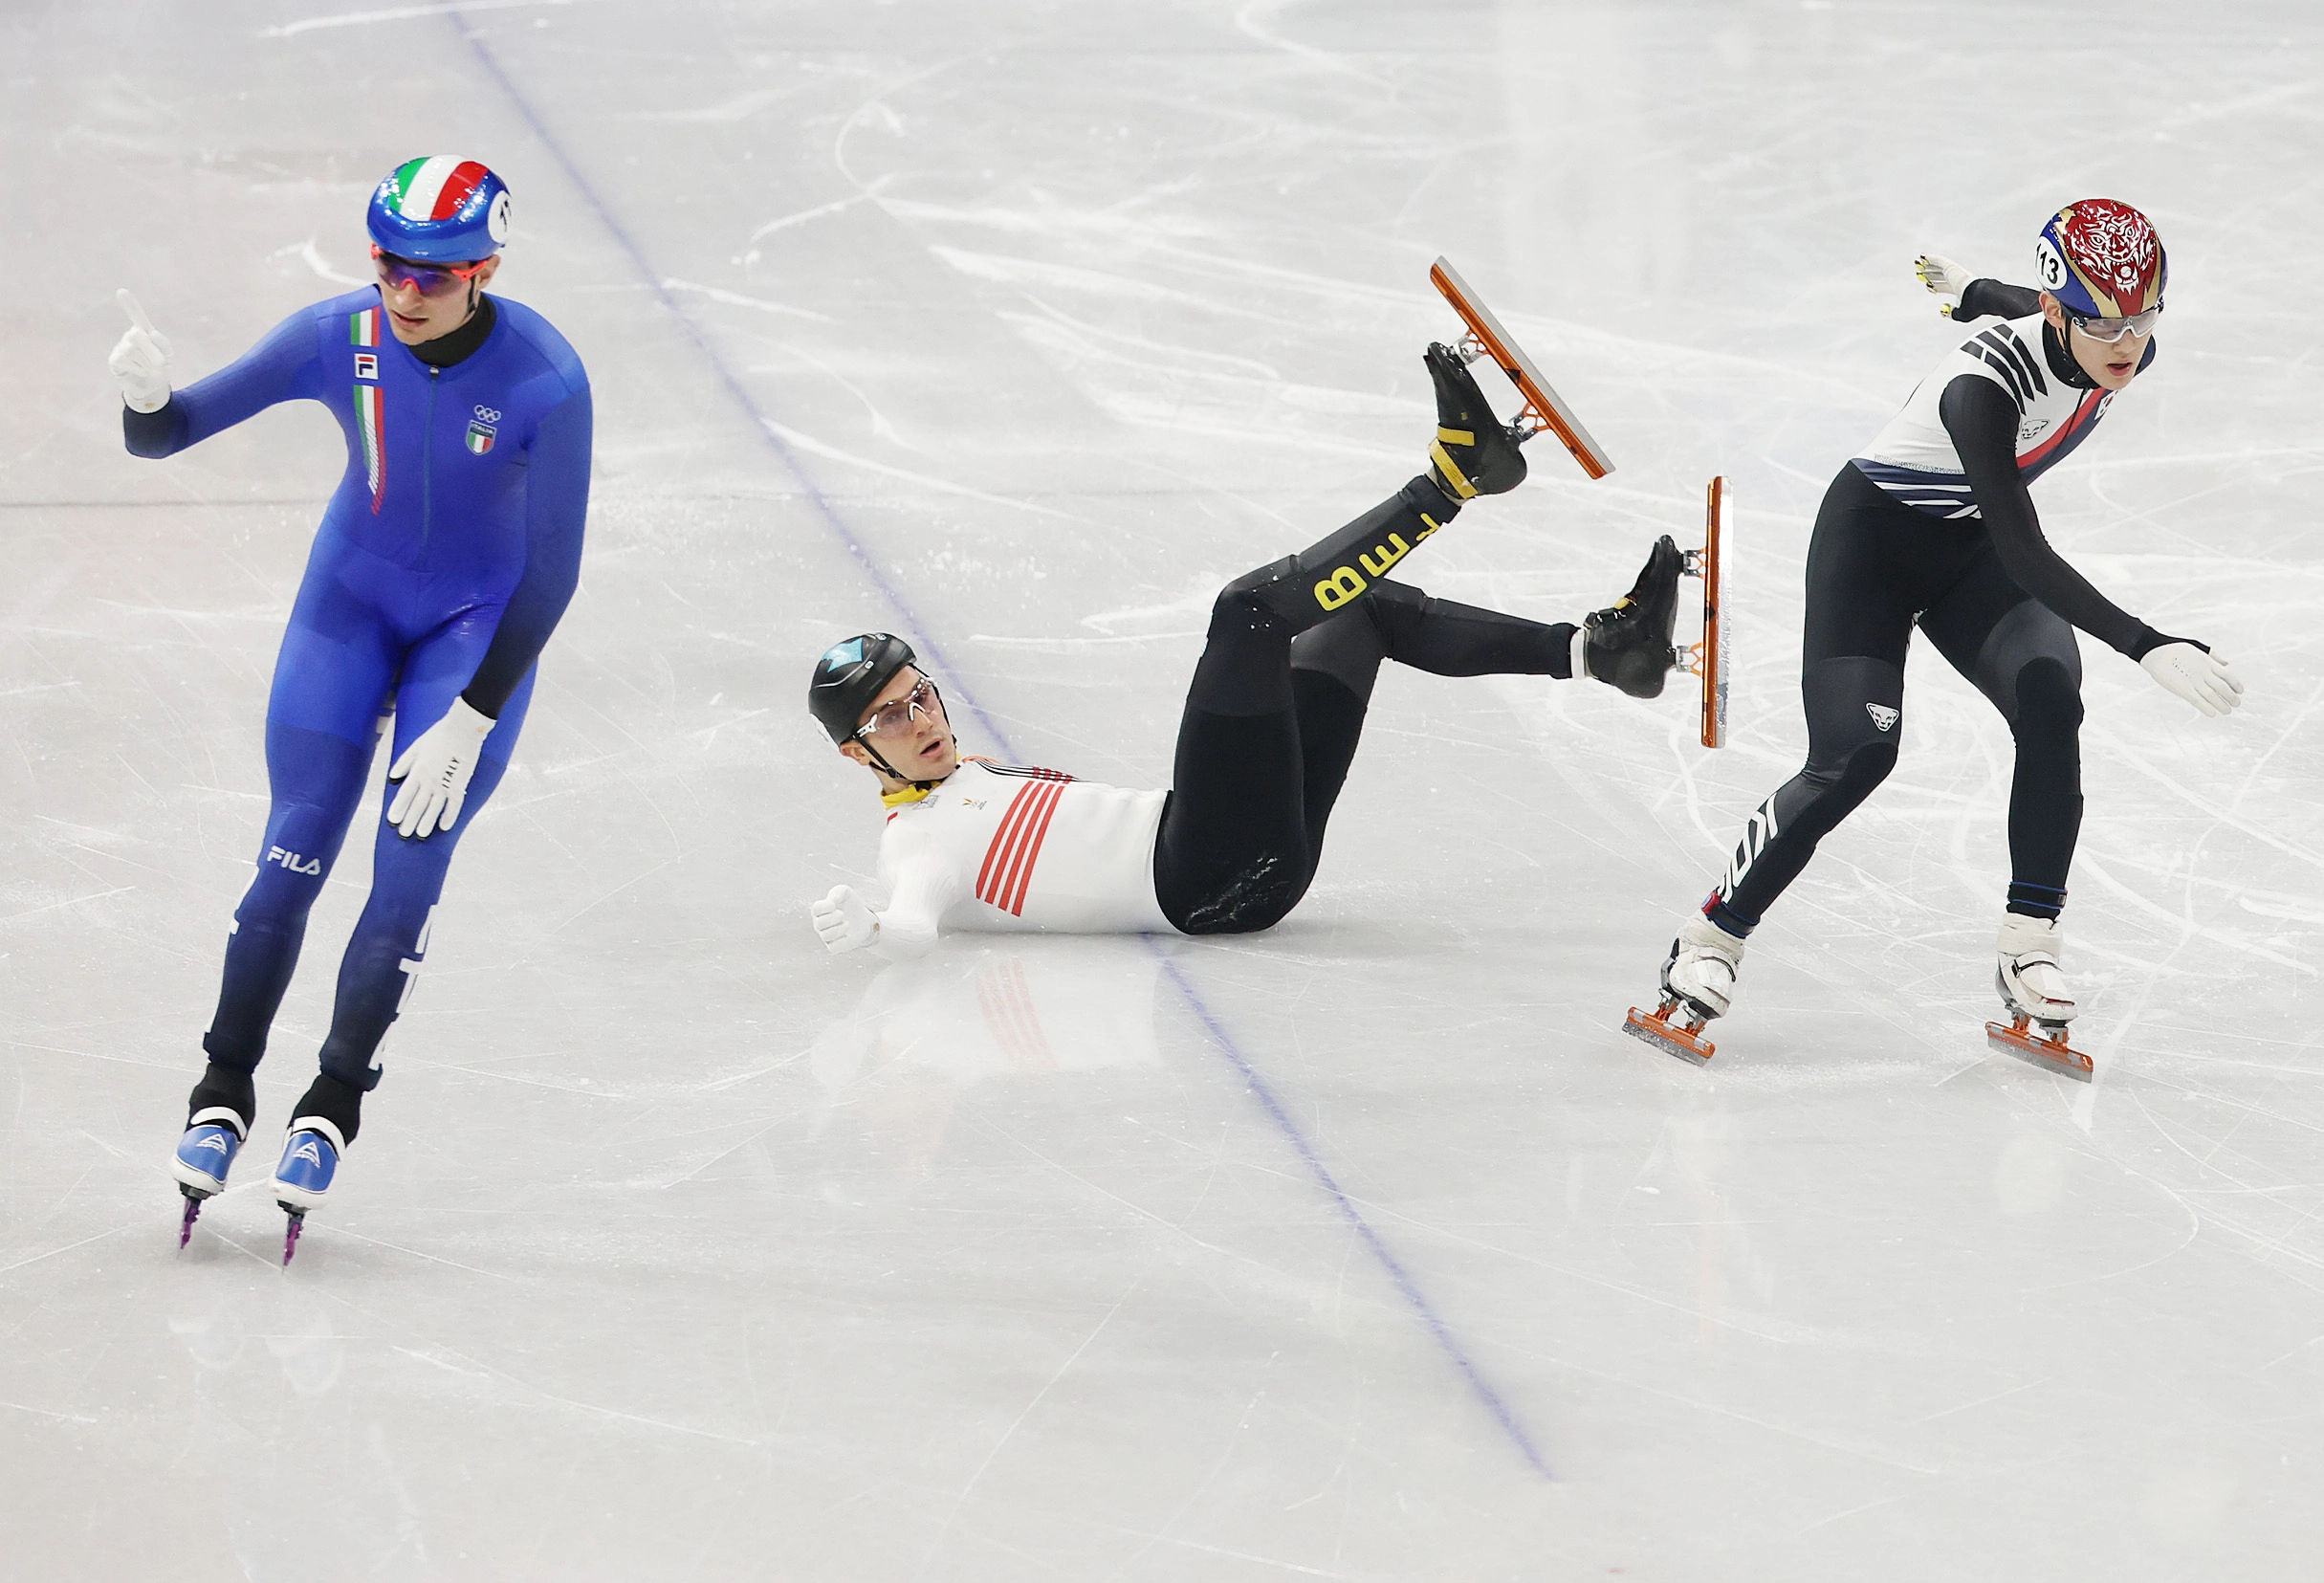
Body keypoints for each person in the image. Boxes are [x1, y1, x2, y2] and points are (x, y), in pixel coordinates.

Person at [807, 345, 1683, 955]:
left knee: (1361, 615)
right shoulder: (916, 841)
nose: (919, 718)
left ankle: (1605, 656)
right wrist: (874, 928)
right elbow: (915, 921)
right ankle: (1456, 476)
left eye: (919, 692)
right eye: (889, 715)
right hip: (1204, 868)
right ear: (856, 751)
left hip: (1253, 860)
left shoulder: (968, 778)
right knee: (1248, 615)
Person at [114, 156, 593, 1248]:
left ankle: (331, 1103)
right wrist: (145, 397)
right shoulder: (336, 334)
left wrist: (473, 712)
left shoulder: (546, 379)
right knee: (291, 851)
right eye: (390, 265)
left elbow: (554, 574)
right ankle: (222, 1088)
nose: (406, 292)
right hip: (351, 607)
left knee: (408, 865)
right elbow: (168, 434)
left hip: (473, 633)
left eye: (434, 273)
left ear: (484, 269)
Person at [1645, 198, 2240, 1041]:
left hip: (1966, 554)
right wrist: (2143, 643)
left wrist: (1971, 290)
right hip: (1874, 550)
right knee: (1856, 756)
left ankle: (2029, 944)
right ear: (2057, 310)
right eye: (2104, 323)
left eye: (2143, 317)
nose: (2127, 344)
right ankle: (1710, 937)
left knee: (2049, 699)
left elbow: (2026, 306)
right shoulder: (1979, 392)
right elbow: (2026, 550)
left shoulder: (2111, 339)